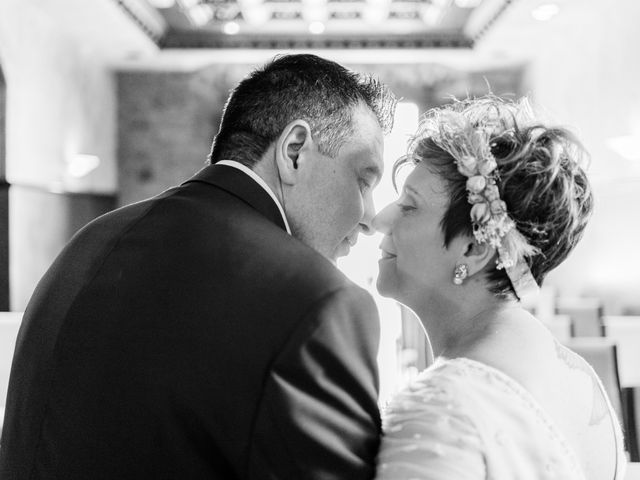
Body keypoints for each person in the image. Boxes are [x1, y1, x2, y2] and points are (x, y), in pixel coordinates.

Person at [0, 54, 397, 479]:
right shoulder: (316, 302)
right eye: (363, 179)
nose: (370, 217)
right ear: (294, 151)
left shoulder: (86, 244)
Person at [372, 96, 626, 480]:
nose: (379, 219)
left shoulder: (444, 405)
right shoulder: (583, 382)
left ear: (475, 248)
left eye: (409, 207)